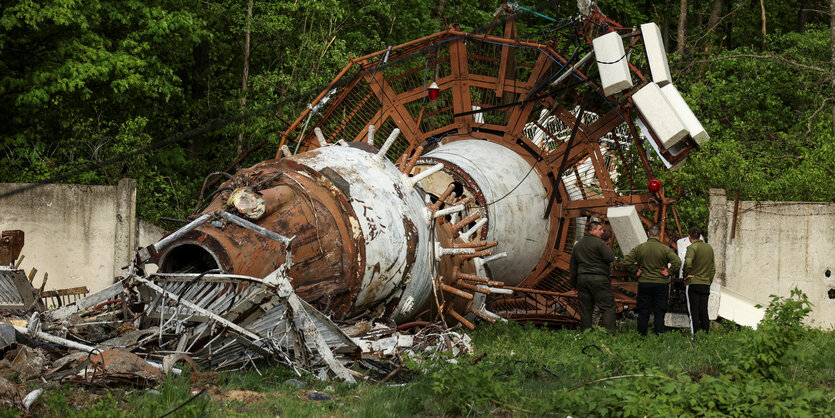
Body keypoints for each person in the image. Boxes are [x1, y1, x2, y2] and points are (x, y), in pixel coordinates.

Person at [622, 224, 681, 335]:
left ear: (648, 234)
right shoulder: (665, 249)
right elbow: (677, 262)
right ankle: (658, 335)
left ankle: (642, 336)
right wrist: (668, 272)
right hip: (660, 284)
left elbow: (626, 261)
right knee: (659, 312)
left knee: (643, 312)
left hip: (644, 283)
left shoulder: (640, 248)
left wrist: (636, 270)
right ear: (660, 235)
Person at [569, 221, 616, 333]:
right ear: (593, 230)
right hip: (599, 279)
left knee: (586, 309)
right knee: (608, 307)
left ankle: (586, 334)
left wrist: (573, 285)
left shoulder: (578, 245)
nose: (602, 231)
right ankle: (608, 334)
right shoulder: (599, 243)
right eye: (600, 229)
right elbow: (610, 257)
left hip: (582, 280)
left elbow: (573, 267)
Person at [683, 226, 715, 334]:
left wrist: (686, 275)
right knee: (704, 311)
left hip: (694, 282)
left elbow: (688, 263)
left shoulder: (692, 248)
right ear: (700, 235)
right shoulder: (709, 248)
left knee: (693, 312)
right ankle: (705, 335)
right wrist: (708, 280)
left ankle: (695, 337)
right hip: (705, 283)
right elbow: (713, 268)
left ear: (689, 237)